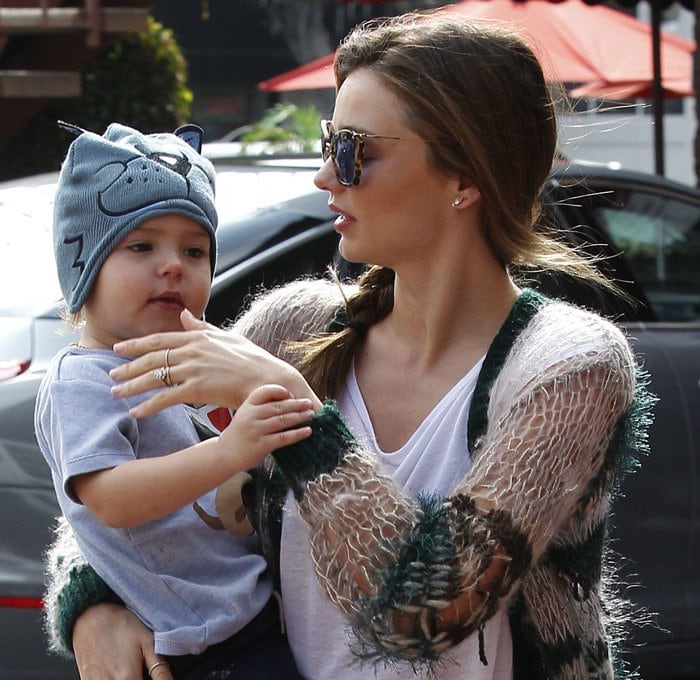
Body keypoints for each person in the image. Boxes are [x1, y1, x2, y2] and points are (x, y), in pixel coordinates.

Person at [42, 12, 655, 680]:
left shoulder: (565, 366)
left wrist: (301, 420)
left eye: (353, 151)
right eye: (330, 142)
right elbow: (123, 495)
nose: (325, 177)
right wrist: (91, 604)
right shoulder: (291, 328)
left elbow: (432, 605)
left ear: (464, 178)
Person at [35, 123, 313, 679]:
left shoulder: (201, 356)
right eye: (141, 245)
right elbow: (109, 498)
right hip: (194, 649)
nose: (173, 266)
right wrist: (232, 449)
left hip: (256, 620)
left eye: (195, 249)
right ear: (83, 268)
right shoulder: (81, 380)